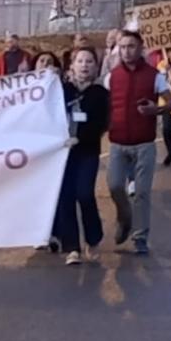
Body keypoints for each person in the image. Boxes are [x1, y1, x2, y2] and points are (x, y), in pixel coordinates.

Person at [105, 30, 171, 255]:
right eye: (123, 47)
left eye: (131, 47)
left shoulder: (154, 76)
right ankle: (124, 217)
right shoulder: (112, 76)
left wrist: (157, 109)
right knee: (115, 186)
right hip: (117, 143)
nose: (127, 51)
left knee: (142, 193)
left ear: (140, 48)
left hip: (144, 144)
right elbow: (103, 104)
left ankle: (140, 237)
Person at [54, 48, 109, 265]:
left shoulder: (100, 94)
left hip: (87, 151)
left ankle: (93, 238)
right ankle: (72, 247)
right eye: (80, 61)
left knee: (84, 194)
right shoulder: (61, 91)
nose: (84, 65)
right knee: (66, 196)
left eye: (89, 62)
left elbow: (100, 123)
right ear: (72, 66)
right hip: (62, 153)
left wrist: (80, 138)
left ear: (96, 67)